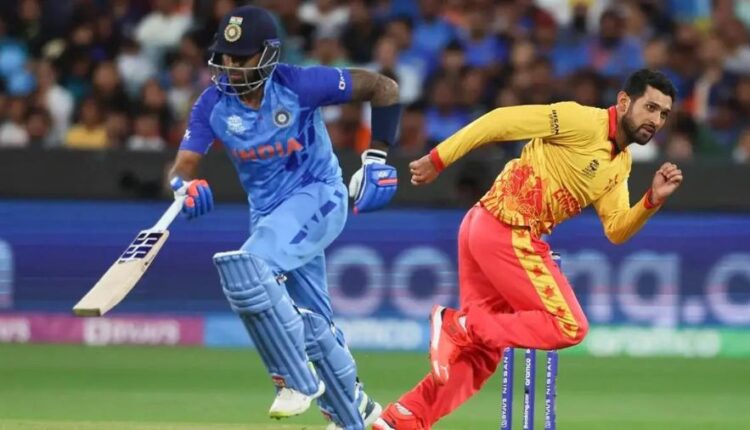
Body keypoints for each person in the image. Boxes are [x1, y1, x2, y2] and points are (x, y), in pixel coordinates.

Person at [373, 69, 683, 430]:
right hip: (508, 228)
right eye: (650, 108)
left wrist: (650, 200)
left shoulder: (621, 163)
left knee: (482, 355)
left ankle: (404, 418)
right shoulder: (581, 120)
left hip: (483, 227)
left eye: (663, 114)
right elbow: (500, 121)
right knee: (569, 325)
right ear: (624, 101)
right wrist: (439, 158)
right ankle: (461, 325)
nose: (656, 120)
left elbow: (616, 229)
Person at [168, 6, 401, 430]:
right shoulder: (212, 104)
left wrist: (375, 158)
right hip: (269, 217)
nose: (232, 67)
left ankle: (293, 379)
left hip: (318, 195)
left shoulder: (299, 84)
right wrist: (183, 188)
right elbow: (183, 166)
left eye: (242, 58)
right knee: (314, 321)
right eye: (226, 57)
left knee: (248, 268)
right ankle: (356, 412)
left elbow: (384, 88)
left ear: (268, 54)